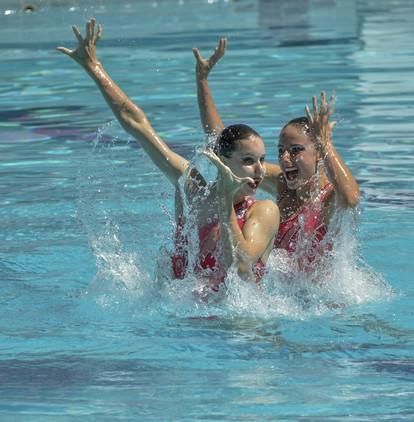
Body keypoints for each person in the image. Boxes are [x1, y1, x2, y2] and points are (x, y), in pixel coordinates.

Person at [57, 19, 279, 292]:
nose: (260, 170)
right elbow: (139, 126)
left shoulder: (264, 211)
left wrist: (224, 205)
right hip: (184, 322)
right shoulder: (194, 189)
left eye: (260, 159)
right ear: (223, 162)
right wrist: (95, 69)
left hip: (241, 328)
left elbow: (242, 270)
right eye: (248, 160)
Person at [193, 39, 360, 271]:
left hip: (325, 302)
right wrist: (202, 80)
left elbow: (351, 199)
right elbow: (224, 144)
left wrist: (326, 144)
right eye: (281, 151)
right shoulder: (283, 183)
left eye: (296, 150)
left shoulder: (328, 198)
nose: (285, 159)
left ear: (319, 154)